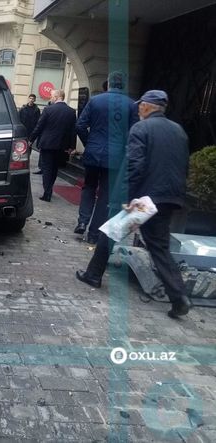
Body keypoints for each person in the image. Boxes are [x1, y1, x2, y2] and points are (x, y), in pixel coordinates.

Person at [76, 90, 192, 319]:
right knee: (159, 248)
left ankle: (93, 275)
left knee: (111, 231)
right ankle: (179, 297)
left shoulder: (141, 128)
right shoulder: (178, 130)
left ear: (147, 106)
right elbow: (183, 166)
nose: (138, 109)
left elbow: (134, 165)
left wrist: (126, 198)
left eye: (140, 105)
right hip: (168, 197)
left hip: (143, 199)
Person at [74, 71, 138, 244]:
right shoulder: (131, 105)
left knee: (89, 187)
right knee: (105, 195)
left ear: (108, 83)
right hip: (115, 157)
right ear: (124, 85)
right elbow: (133, 134)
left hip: (94, 152)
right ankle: (94, 233)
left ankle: (82, 221)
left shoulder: (95, 101)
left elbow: (80, 125)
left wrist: (89, 143)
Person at [28, 89, 76, 202]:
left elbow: (39, 126)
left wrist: (31, 139)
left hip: (47, 144)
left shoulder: (48, 109)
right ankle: (49, 189)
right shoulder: (71, 111)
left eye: (52, 96)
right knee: (54, 168)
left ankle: (47, 192)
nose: (51, 98)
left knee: (47, 168)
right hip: (61, 145)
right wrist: (72, 147)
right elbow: (73, 131)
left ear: (57, 97)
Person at [19, 94, 42, 173]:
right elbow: (19, 118)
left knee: (29, 146)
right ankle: (20, 160)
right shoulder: (23, 108)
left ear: (34, 100)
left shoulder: (37, 110)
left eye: (33, 99)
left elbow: (38, 121)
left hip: (31, 131)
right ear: (28, 99)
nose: (31, 100)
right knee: (21, 145)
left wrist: (35, 130)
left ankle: (27, 160)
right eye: (30, 98)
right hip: (23, 130)